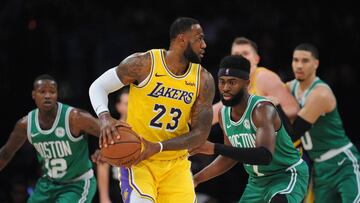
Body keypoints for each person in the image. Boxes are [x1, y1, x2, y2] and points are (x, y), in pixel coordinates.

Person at [89, 17, 215, 203]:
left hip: (177, 166)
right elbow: (98, 86)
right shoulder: (144, 64)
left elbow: (200, 134)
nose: (204, 44)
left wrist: (159, 147)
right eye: (199, 38)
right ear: (181, 39)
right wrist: (105, 117)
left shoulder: (203, 80)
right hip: (139, 160)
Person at [192, 55, 308, 203]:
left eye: (232, 82)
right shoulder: (223, 114)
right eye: (222, 82)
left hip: (285, 175)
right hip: (257, 183)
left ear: (246, 83)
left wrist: (214, 148)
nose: (226, 88)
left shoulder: (262, 109)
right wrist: (197, 179)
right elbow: (230, 155)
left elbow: (264, 156)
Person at [0, 74, 100, 203]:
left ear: (57, 94)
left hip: (77, 184)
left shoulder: (74, 117)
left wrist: (102, 149)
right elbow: (6, 153)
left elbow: (106, 130)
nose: (47, 96)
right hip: (47, 184)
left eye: (52, 92)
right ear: (33, 95)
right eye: (42, 92)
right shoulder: (25, 125)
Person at [285, 43, 360, 202]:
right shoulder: (289, 87)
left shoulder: (320, 93)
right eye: (295, 60)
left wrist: (276, 105)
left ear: (316, 64)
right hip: (319, 167)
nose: (299, 65)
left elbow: (294, 133)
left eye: (305, 61)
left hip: (343, 162)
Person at [212, 37, 299, 125]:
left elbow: (293, 109)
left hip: (287, 137)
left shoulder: (264, 77)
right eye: (236, 54)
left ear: (256, 59)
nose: (240, 58)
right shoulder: (233, 84)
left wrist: (264, 117)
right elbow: (215, 112)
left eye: (245, 53)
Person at [97, 86, 129, 203]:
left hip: (140, 185)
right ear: (118, 106)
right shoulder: (111, 130)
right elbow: (103, 165)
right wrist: (104, 197)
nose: (130, 107)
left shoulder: (144, 130)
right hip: (117, 186)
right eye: (126, 103)